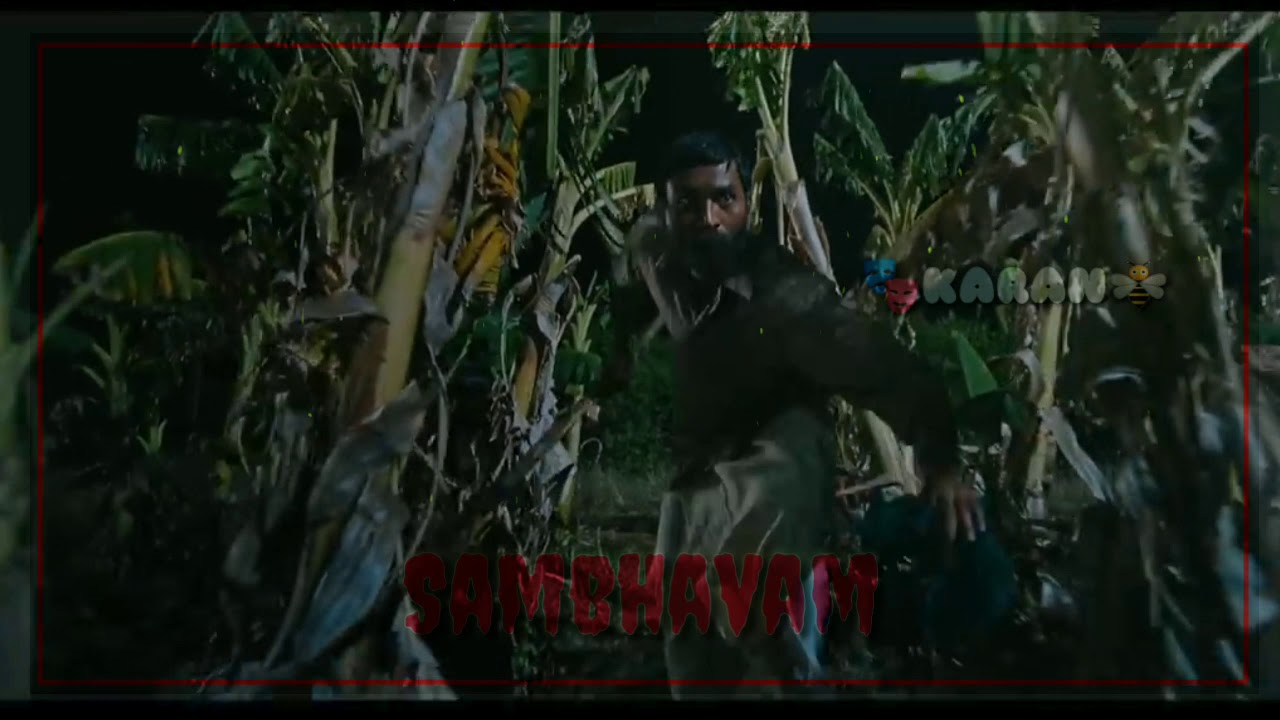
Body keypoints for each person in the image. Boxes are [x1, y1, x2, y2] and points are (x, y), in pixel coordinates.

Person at [603, 131, 981, 698]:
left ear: (746, 205)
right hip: (697, 483)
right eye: (689, 205)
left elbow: (884, 366)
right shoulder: (658, 248)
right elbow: (636, 273)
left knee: (776, 657)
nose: (708, 219)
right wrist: (621, 351)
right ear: (666, 209)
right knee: (696, 670)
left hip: (776, 487)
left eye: (724, 199)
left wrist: (941, 461)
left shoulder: (785, 299)